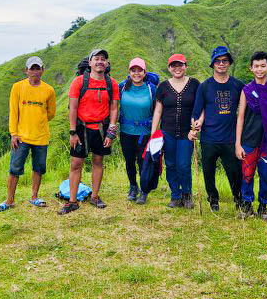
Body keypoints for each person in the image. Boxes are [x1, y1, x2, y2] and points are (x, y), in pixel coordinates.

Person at [60, 49, 120, 215]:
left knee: (98, 161)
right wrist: (73, 132)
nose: (100, 61)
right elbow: (72, 107)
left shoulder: (111, 83)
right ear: (90, 62)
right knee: (76, 163)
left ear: (107, 63)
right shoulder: (79, 82)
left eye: (103, 59)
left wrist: (111, 130)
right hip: (81, 127)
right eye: (96, 59)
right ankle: (72, 201)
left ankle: (94, 196)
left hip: (101, 128)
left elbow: (114, 108)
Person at [0, 56, 56, 211]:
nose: (35, 71)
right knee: (14, 168)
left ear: (43, 70)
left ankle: (34, 197)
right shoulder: (17, 87)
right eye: (32, 68)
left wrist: (39, 121)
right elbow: (13, 111)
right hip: (21, 137)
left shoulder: (49, 90)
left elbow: (51, 113)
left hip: (41, 136)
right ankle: (9, 200)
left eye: (37, 68)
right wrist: (13, 133)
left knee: (38, 168)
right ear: (26, 70)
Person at [189, 46, 244, 212]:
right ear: (213, 64)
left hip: (230, 138)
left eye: (225, 61)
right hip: (209, 138)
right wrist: (194, 127)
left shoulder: (238, 85)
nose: (221, 64)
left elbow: (254, 96)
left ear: (229, 63)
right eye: (218, 61)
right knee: (208, 171)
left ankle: (239, 199)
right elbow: (196, 111)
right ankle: (213, 199)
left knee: (234, 171)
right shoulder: (205, 86)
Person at [235, 51, 267, 221]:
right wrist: (237, 143)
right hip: (248, 139)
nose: (260, 69)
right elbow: (240, 116)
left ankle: (263, 208)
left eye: (263, 66)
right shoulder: (247, 90)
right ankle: (247, 206)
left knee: (265, 175)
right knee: (247, 174)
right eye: (256, 66)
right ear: (251, 68)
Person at [151, 53, 200, 208]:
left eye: (180, 65)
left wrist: (196, 127)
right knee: (171, 164)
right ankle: (175, 195)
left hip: (187, 133)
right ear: (169, 68)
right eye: (174, 66)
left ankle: (187, 194)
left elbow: (199, 108)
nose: (177, 68)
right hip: (167, 132)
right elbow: (158, 111)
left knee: (184, 164)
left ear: (185, 66)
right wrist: (154, 133)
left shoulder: (194, 84)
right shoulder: (163, 86)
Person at [118, 58, 159, 204]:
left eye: (139, 70)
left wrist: (156, 131)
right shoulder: (122, 86)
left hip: (145, 132)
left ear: (144, 72)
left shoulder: (151, 89)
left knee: (143, 162)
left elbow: (157, 110)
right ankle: (133, 186)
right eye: (133, 70)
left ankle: (143, 190)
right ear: (129, 72)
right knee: (129, 160)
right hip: (126, 131)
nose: (136, 73)